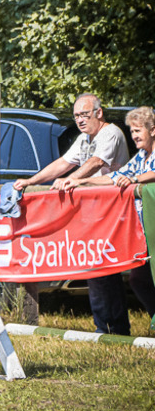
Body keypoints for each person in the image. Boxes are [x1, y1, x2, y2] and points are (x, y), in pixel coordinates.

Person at [13, 93, 131, 335]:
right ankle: (102, 327)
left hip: (113, 213)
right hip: (92, 214)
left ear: (99, 113)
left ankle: (117, 329)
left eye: (84, 115)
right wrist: (31, 180)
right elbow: (63, 163)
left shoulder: (111, 133)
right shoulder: (84, 138)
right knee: (93, 269)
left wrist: (70, 180)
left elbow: (96, 162)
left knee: (108, 270)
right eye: (76, 115)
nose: (79, 120)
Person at [62, 106, 155, 328]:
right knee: (139, 279)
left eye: (138, 130)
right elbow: (116, 177)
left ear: (153, 130)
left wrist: (137, 180)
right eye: (131, 131)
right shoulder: (141, 156)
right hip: (144, 230)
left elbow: (144, 176)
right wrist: (81, 181)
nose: (134, 136)